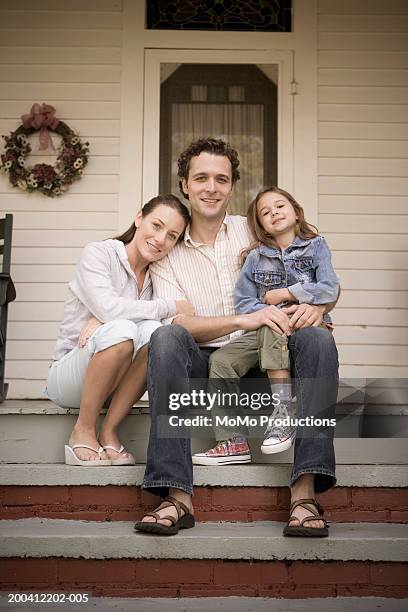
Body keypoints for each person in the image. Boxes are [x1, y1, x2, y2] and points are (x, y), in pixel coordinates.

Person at [134, 138, 338, 538]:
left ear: (232, 187)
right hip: (205, 363)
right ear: (185, 185)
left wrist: (321, 308)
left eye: (221, 179)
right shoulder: (169, 246)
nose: (211, 187)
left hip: (269, 357)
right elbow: (183, 324)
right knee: (166, 338)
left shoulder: (256, 229)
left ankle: (304, 492)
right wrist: (243, 321)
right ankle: (176, 495)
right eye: (202, 178)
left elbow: (319, 276)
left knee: (318, 342)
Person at [192, 186, 339, 462]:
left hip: (305, 327)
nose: (274, 213)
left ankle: (282, 412)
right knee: (222, 360)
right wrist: (266, 312)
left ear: (296, 212)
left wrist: (286, 294)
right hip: (266, 330)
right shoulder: (255, 258)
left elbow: (330, 288)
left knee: (273, 323)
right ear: (261, 226)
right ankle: (232, 441)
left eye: (280, 206)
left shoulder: (316, 245)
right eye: (265, 212)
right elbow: (244, 302)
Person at [45, 194, 192, 466]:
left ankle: (109, 430)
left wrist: (106, 318)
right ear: (139, 218)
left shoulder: (157, 275)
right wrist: (166, 305)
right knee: (122, 328)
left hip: (117, 382)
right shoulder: (99, 253)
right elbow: (112, 310)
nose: (161, 240)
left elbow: (146, 321)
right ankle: (83, 430)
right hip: (70, 376)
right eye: (156, 226)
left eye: (172, 236)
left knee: (155, 335)